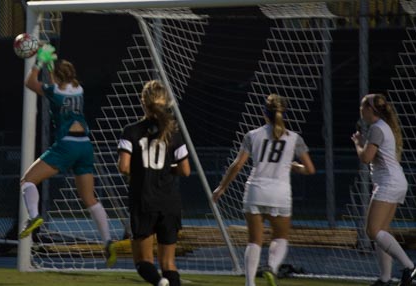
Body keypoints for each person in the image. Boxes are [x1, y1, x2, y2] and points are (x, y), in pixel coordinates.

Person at [21, 45, 116, 267]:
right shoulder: (79, 89)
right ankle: (108, 241)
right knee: (90, 198)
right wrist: (54, 66)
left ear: (54, 75)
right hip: (85, 146)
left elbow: (29, 83)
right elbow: (62, 81)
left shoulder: (54, 92)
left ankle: (34, 217)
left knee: (28, 181)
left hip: (67, 146)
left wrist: (38, 63)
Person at [212, 93, 315, 286]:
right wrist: (292, 166)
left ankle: (250, 283)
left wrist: (221, 187)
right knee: (281, 237)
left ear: (264, 112)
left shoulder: (252, 135)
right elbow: (309, 169)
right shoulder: (294, 138)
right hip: (280, 193)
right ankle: (272, 267)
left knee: (254, 241)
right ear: (283, 113)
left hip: (255, 190)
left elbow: (237, 165)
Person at [117, 80, 190, 286]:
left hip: (143, 201)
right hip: (169, 203)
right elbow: (185, 170)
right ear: (165, 102)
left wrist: (141, 171)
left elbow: (123, 167)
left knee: (143, 262)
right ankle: (165, 282)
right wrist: (166, 169)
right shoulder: (173, 132)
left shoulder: (131, 131)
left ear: (143, 102)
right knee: (169, 263)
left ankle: (159, 283)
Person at [351, 93, 416, 286]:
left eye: (362, 106)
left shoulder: (377, 128)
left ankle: (410, 267)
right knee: (381, 232)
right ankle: (385, 278)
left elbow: (365, 158)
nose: (360, 110)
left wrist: (358, 143)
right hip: (396, 182)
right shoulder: (383, 127)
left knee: (372, 231)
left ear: (369, 109)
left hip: (389, 183)